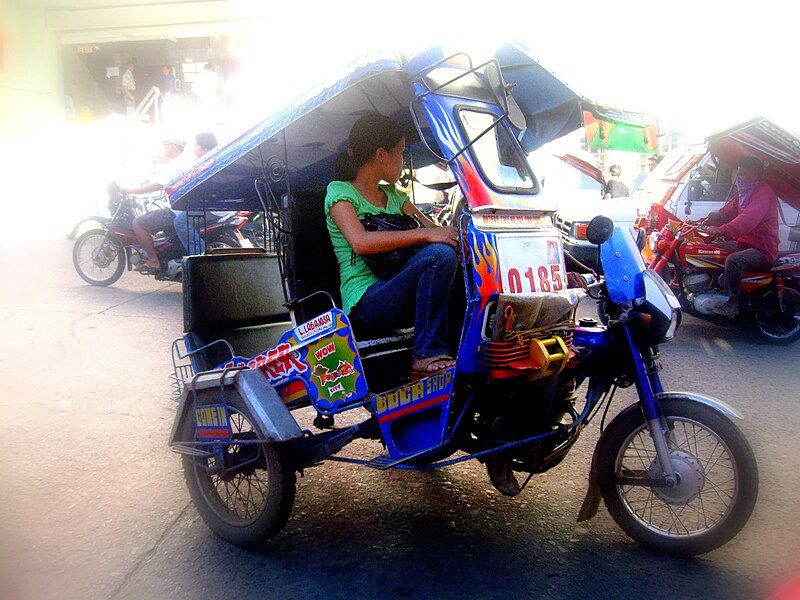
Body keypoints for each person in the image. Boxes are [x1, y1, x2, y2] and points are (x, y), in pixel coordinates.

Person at [326, 114, 459, 376]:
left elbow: (436, 231)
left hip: (400, 287)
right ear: (381, 155)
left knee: (457, 260)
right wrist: (425, 236)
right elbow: (361, 243)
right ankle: (427, 355)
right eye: (400, 151)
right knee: (438, 256)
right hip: (367, 301)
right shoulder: (340, 192)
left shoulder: (395, 196)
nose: (403, 158)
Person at [705, 156, 779, 317]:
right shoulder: (745, 193)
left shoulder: (763, 193)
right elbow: (728, 211)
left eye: (744, 175)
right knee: (710, 250)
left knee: (733, 260)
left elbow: (747, 219)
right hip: (745, 243)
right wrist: (708, 219)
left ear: (757, 175)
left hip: (762, 248)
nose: (740, 178)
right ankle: (713, 286)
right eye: (739, 174)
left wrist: (723, 230)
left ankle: (732, 303)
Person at [122, 138, 188, 270]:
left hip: (176, 211)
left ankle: (153, 260)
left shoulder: (176, 164)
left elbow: (158, 184)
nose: (164, 148)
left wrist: (132, 190)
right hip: (185, 208)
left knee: (138, 223)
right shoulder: (186, 161)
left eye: (166, 145)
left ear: (173, 146)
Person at [173, 132, 219, 254]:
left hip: (212, 208)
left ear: (203, 148)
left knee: (180, 222)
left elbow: (191, 182)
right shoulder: (215, 158)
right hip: (217, 206)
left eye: (196, 146)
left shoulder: (207, 162)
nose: (194, 149)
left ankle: (198, 256)